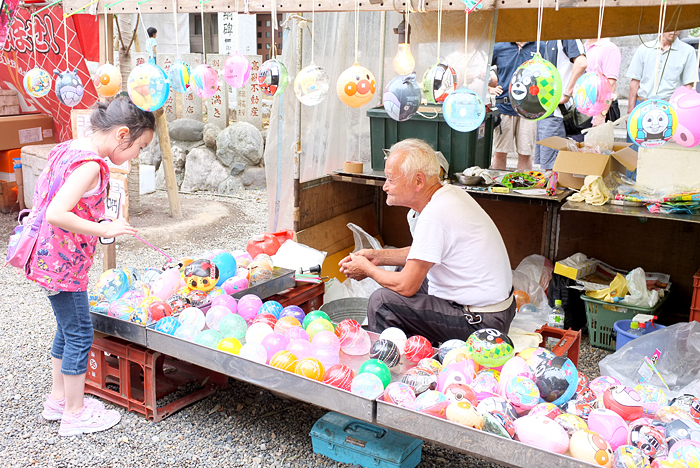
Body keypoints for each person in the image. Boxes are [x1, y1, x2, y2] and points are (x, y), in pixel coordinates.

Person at [26, 98, 155, 436]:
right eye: (139, 147)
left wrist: (97, 217)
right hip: (63, 264)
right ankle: (74, 412)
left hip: (48, 260)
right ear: (123, 135)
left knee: (66, 330)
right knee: (81, 333)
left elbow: (64, 201)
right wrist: (104, 229)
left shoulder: (69, 148)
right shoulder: (91, 165)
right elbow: (57, 212)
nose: (137, 155)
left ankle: (58, 399)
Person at [339, 139, 514, 345]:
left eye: (391, 180)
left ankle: (390, 364)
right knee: (401, 272)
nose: (385, 187)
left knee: (382, 302)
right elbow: (425, 251)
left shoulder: (435, 214)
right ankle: (414, 346)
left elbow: (407, 286)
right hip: (497, 309)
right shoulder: (448, 194)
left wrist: (367, 269)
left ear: (418, 181)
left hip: (482, 323)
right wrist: (377, 256)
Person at [535, 40, 587, 171]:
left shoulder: (567, 36)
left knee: (553, 167)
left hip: (557, 112)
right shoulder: (548, 39)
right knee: (548, 167)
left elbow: (581, 63)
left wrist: (567, 94)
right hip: (546, 110)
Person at [490, 41, 541, 171]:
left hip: (530, 109)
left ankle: (523, 187)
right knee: (500, 152)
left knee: (525, 153)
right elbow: (481, 69)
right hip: (504, 107)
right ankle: (498, 187)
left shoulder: (540, 46)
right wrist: (489, 88)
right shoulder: (499, 47)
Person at [627, 30, 698, 109]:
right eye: (670, 25)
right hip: (643, 103)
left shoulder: (688, 51)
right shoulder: (644, 48)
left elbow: (688, 86)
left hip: (670, 105)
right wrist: (630, 110)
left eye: (678, 27)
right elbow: (635, 82)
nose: (674, 30)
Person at [584, 37, 621, 127]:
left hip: (596, 114)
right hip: (581, 110)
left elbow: (611, 85)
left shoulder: (609, 48)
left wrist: (602, 114)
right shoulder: (582, 47)